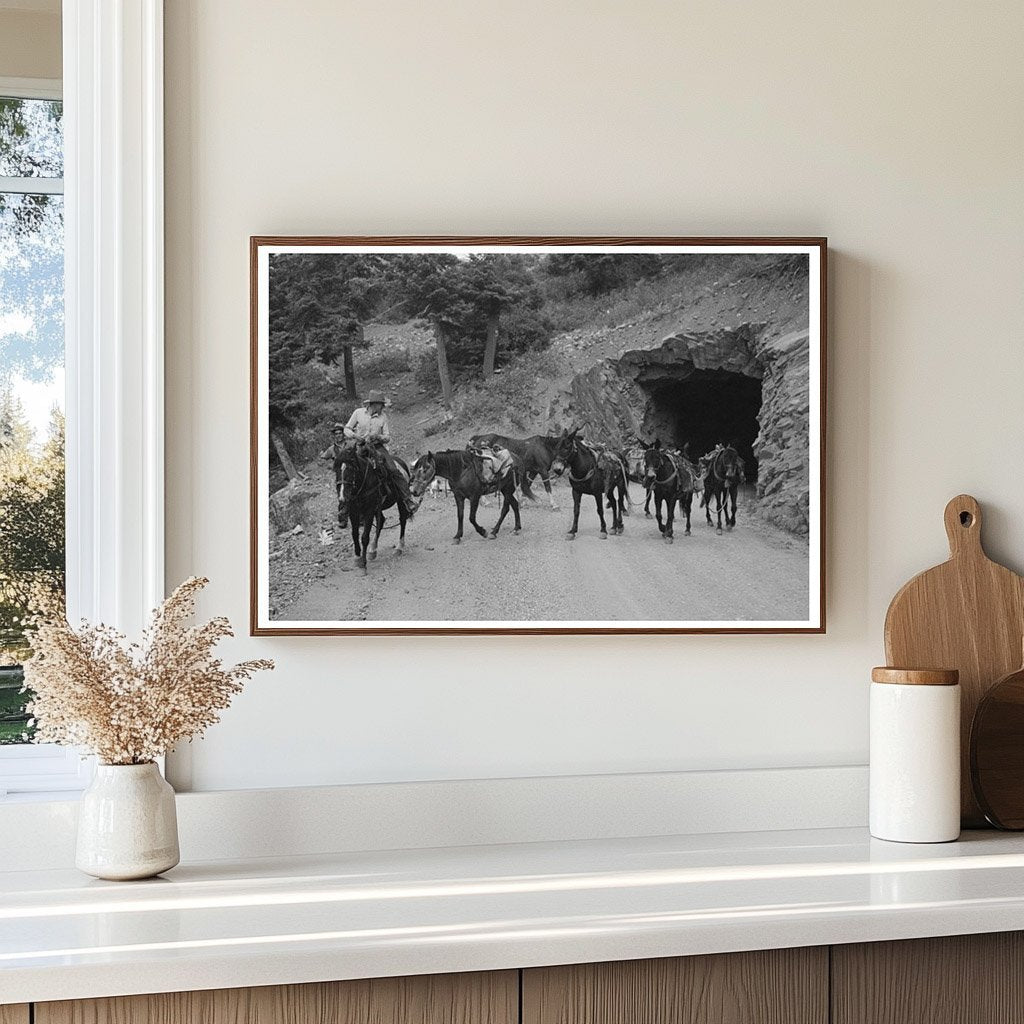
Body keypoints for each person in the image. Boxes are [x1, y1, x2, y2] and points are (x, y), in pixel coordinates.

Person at [342, 391, 419, 517]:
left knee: (393, 469)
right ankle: (345, 506)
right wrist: (355, 436)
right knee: (346, 469)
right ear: (373, 404)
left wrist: (378, 436)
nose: (381, 407)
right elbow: (346, 428)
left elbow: (387, 437)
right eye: (380, 404)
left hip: (377, 447)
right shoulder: (358, 413)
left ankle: (407, 499)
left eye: (382, 405)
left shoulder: (383, 417)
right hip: (359, 446)